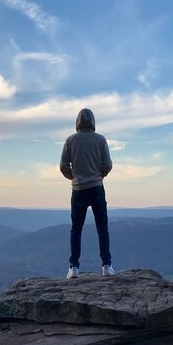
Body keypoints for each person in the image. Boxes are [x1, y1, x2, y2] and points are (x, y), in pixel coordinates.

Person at [60, 108, 114, 278]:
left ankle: (73, 268)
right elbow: (108, 164)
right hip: (97, 188)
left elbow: (63, 166)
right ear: (93, 121)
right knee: (102, 227)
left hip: (78, 190)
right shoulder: (100, 140)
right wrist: (99, 175)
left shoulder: (70, 141)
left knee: (76, 229)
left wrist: (74, 177)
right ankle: (106, 266)